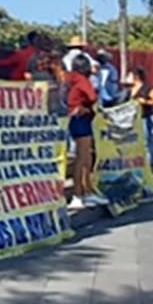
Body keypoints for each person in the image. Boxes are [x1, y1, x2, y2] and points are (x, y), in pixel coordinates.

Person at [64, 51, 100, 208]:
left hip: (74, 117)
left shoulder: (69, 79)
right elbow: (92, 97)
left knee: (85, 157)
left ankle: (87, 190)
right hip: (81, 118)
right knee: (83, 157)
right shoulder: (83, 80)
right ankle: (78, 193)